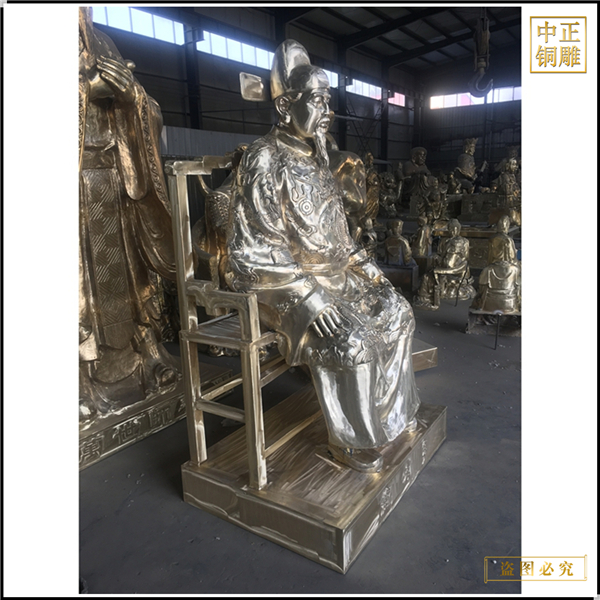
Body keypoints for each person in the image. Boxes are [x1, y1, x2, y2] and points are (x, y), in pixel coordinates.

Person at [224, 40, 420, 473]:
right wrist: (312, 299)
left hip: (338, 279)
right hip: (285, 287)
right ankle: (354, 440)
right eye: (317, 100)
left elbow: (339, 238)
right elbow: (253, 251)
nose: (327, 110)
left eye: (328, 100)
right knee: (352, 340)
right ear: (285, 107)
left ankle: (392, 419)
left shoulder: (319, 155)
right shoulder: (264, 159)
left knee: (398, 312)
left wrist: (372, 275)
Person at [78, 8, 179, 424]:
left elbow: (147, 107)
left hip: (116, 180)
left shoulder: (103, 41)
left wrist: (130, 99)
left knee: (132, 270)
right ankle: (80, 378)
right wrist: (85, 89)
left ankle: (147, 355)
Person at [414, 219, 476, 310]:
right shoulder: (444, 241)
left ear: (459, 229)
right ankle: (424, 298)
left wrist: (444, 269)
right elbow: (441, 256)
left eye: (455, 229)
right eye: (450, 229)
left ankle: (427, 297)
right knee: (427, 276)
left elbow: (465, 259)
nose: (453, 231)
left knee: (439, 279)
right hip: (444, 266)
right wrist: (438, 260)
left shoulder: (464, 242)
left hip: (455, 272)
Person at [471, 216, 521, 313]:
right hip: (510, 304)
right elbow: (513, 258)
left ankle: (482, 307)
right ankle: (517, 305)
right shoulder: (514, 269)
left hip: (489, 303)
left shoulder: (488, 270)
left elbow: (481, 290)